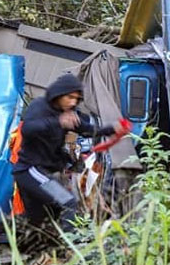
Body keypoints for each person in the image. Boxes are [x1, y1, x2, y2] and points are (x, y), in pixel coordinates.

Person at [11, 73, 128, 239]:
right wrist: (58, 122)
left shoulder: (70, 114)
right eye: (69, 97)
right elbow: (28, 129)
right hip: (30, 170)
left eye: (76, 98)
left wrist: (113, 129)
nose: (72, 102)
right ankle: (71, 250)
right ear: (59, 94)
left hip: (47, 171)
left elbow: (87, 130)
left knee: (38, 220)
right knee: (68, 202)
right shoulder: (39, 107)